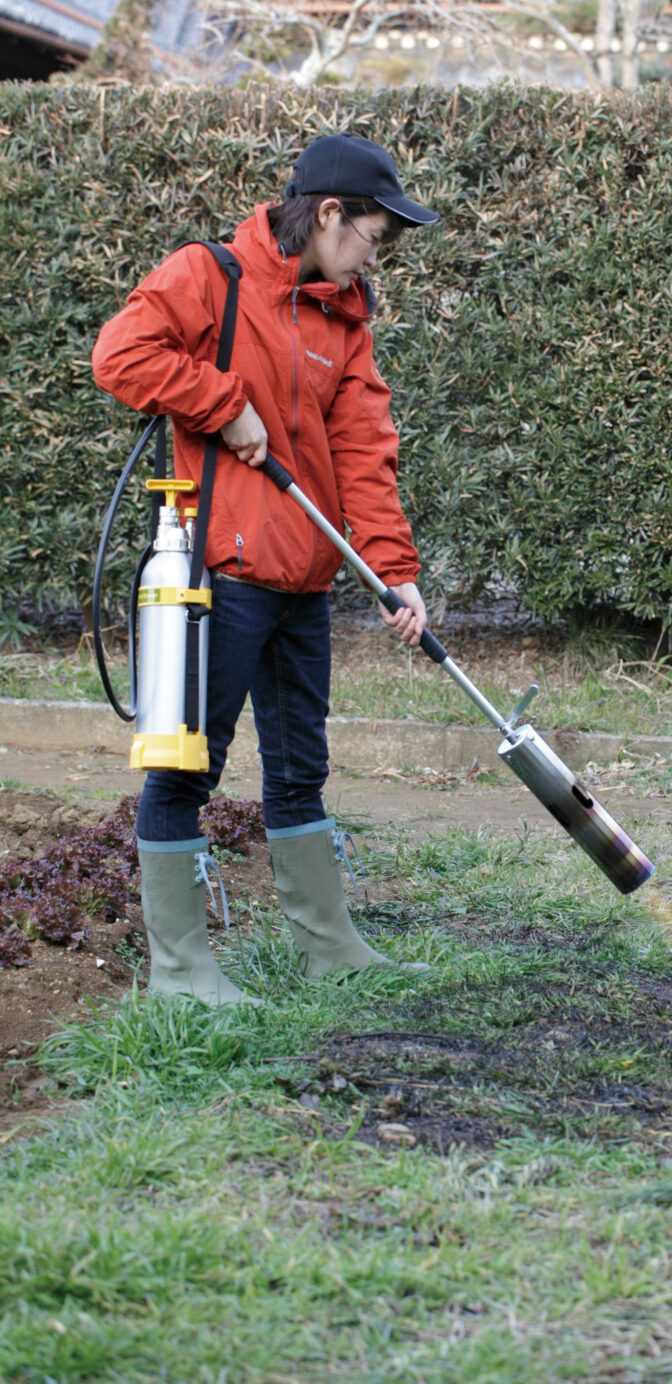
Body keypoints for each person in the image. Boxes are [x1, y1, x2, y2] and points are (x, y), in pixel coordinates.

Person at [92, 133, 439, 1005]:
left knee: (299, 772)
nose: (376, 255)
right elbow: (121, 355)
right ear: (328, 214)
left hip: (307, 581)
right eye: (373, 234)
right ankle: (181, 972)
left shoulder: (342, 313)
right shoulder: (213, 275)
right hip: (221, 576)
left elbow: (364, 448)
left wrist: (393, 569)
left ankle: (331, 949)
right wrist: (223, 404)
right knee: (184, 771)